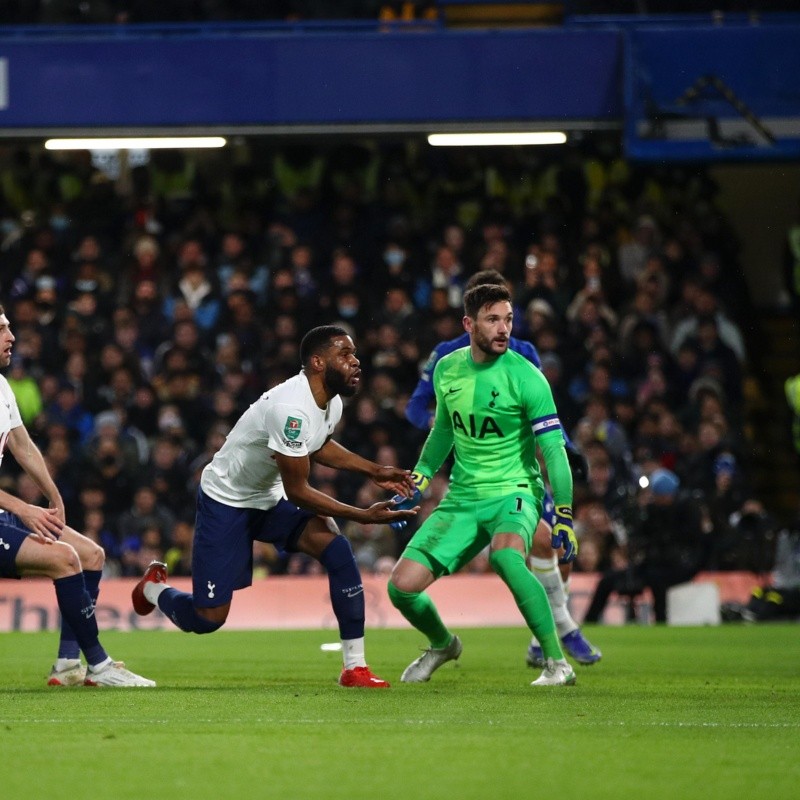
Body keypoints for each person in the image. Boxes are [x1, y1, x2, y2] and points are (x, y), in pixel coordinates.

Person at [131, 325, 419, 688]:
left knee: (338, 550)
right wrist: (361, 514)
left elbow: (317, 443)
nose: (355, 361)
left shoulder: (332, 402)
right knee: (209, 618)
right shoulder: (290, 408)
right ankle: (153, 591)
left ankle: (354, 667)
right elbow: (298, 490)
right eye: (344, 354)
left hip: (266, 498)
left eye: (354, 353)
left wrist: (375, 470)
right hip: (227, 500)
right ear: (317, 362)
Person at [404, 269, 601, 668]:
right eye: (493, 317)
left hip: (516, 476)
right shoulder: (445, 358)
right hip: (468, 484)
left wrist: (567, 446)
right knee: (407, 583)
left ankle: (556, 632)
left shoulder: (524, 355)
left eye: (508, 317)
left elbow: (543, 415)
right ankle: (559, 627)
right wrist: (437, 444)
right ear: (472, 318)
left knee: (547, 544)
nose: (503, 327)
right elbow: (420, 412)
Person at [0, 304, 154, 687]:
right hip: (7, 508)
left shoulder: (1, 386)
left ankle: (68, 663)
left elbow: (23, 446)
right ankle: (100, 667)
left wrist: (53, 497)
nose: (11, 336)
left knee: (90, 555)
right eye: (2, 328)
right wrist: (24, 508)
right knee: (64, 559)